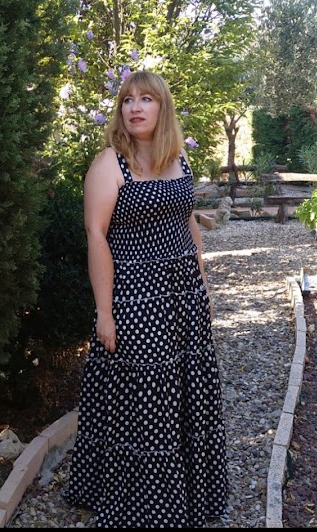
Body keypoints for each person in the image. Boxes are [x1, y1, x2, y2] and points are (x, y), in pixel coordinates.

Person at [63, 70, 227, 527]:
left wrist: (202, 286)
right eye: (128, 100)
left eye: (146, 99)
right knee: (147, 398)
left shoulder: (179, 159)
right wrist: (104, 311)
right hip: (137, 297)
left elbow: (187, 223)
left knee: (185, 391)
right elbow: (96, 237)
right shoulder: (109, 165)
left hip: (183, 294)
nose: (135, 107)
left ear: (162, 107)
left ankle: (188, 496)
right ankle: (146, 504)